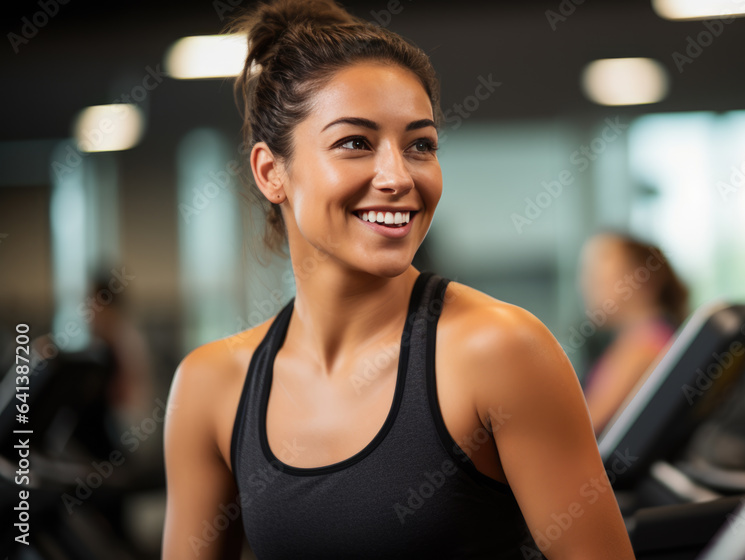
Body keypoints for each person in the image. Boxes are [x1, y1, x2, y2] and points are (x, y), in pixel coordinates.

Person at [161, 1, 635, 558]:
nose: (398, 175)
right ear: (272, 172)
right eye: (355, 143)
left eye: (420, 145)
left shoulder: (501, 350)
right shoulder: (210, 385)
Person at [578, 233, 689, 436]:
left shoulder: (645, 347)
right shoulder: (641, 338)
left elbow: (586, 425)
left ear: (642, 280)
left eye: (598, 279)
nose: (585, 287)